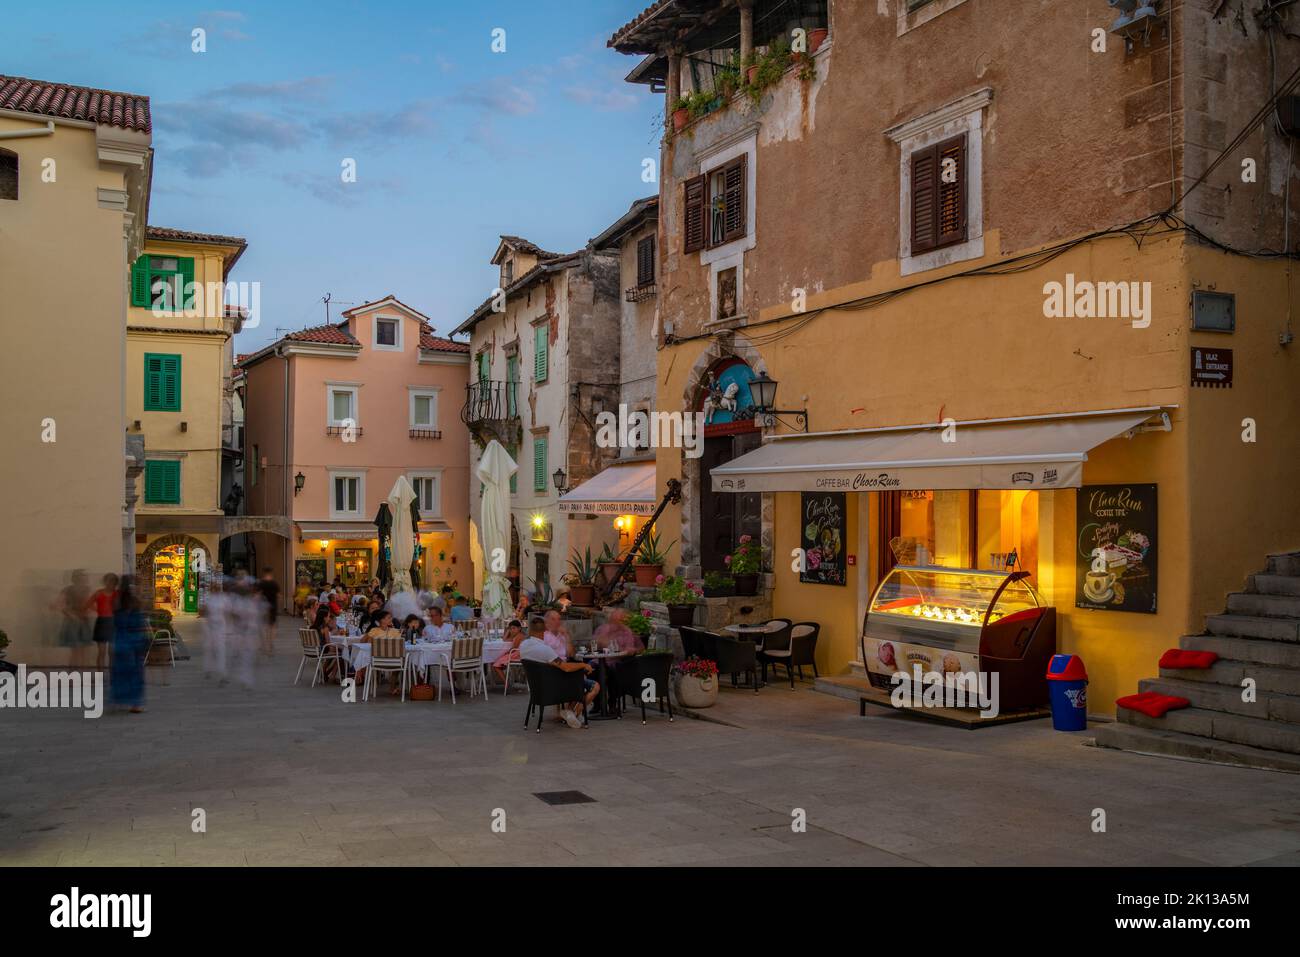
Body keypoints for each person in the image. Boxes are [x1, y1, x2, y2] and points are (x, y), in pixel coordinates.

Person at [519, 628, 598, 729]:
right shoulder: (545, 649)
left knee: (578, 680)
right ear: (543, 632)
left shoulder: (523, 646)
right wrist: (583, 665)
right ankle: (573, 714)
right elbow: (566, 668)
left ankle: (569, 713)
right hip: (555, 688)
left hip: (538, 688)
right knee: (594, 686)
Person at [109, 576, 149, 713]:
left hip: (120, 640)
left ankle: (119, 699)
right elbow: (140, 623)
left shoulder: (116, 602)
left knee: (120, 672)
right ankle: (135, 703)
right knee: (135, 673)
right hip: (134, 641)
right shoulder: (136, 603)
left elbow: (114, 622)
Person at [57, 569, 93, 668]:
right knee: (75, 651)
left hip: (84, 621)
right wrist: (70, 615)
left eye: (85, 576)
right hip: (72, 622)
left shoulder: (88, 589)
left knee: (85, 652)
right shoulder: (67, 590)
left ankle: (85, 677)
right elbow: (60, 605)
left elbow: (91, 605)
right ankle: (73, 677)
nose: (84, 578)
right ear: (75, 578)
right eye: (81, 576)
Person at [89, 572, 119, 669]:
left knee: (112, 652)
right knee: (102, 652)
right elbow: (88, 603)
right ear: (105, 582)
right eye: (109, 582)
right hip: (102, 622)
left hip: (113, 622)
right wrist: (98, 610)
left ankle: (111, 675)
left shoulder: (117, 594)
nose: (111, 584)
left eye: (113, 582)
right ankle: (100, 675)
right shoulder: (99, 593)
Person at [491, 619, 525, 685]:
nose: (512, 630)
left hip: (517, 655)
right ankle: (505, 680)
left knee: (495, 664)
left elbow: (514, 648)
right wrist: (508, 631)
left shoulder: (519, 636)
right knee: (497, 661)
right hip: (516, 654)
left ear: (519, 628)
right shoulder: (517, 635)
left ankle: (506, 683)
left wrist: (507, 652)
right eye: (511, 628)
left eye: (514, 628)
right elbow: (505, 639)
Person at [256, 567, 280, 657]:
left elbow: (257, 595)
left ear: (264, 573)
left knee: (263, 626)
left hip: (263, 607)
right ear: (271, 573)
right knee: (272, 627)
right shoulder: (274, 583)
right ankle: (270, 645)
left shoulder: (261, 583)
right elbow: (278, 595)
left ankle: (264, 644)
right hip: (273, 607)